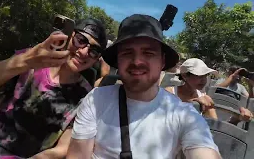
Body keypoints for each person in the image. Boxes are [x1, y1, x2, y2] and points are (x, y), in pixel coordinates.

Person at [67, 14, 221, 159]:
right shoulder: (96, 100)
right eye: (127, 53)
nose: (137, 61)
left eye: (148, 53)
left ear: (162, 61)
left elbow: (204, 151)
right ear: (118, 61)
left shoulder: (183, 115)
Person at [0, 18, 107, 158]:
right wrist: (27, 61)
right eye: (80, 40)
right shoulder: (33, 59)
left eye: (94, 51)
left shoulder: (85, 96)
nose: (84, 52)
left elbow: (63, 148)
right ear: (69, 36)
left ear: (96, 60)